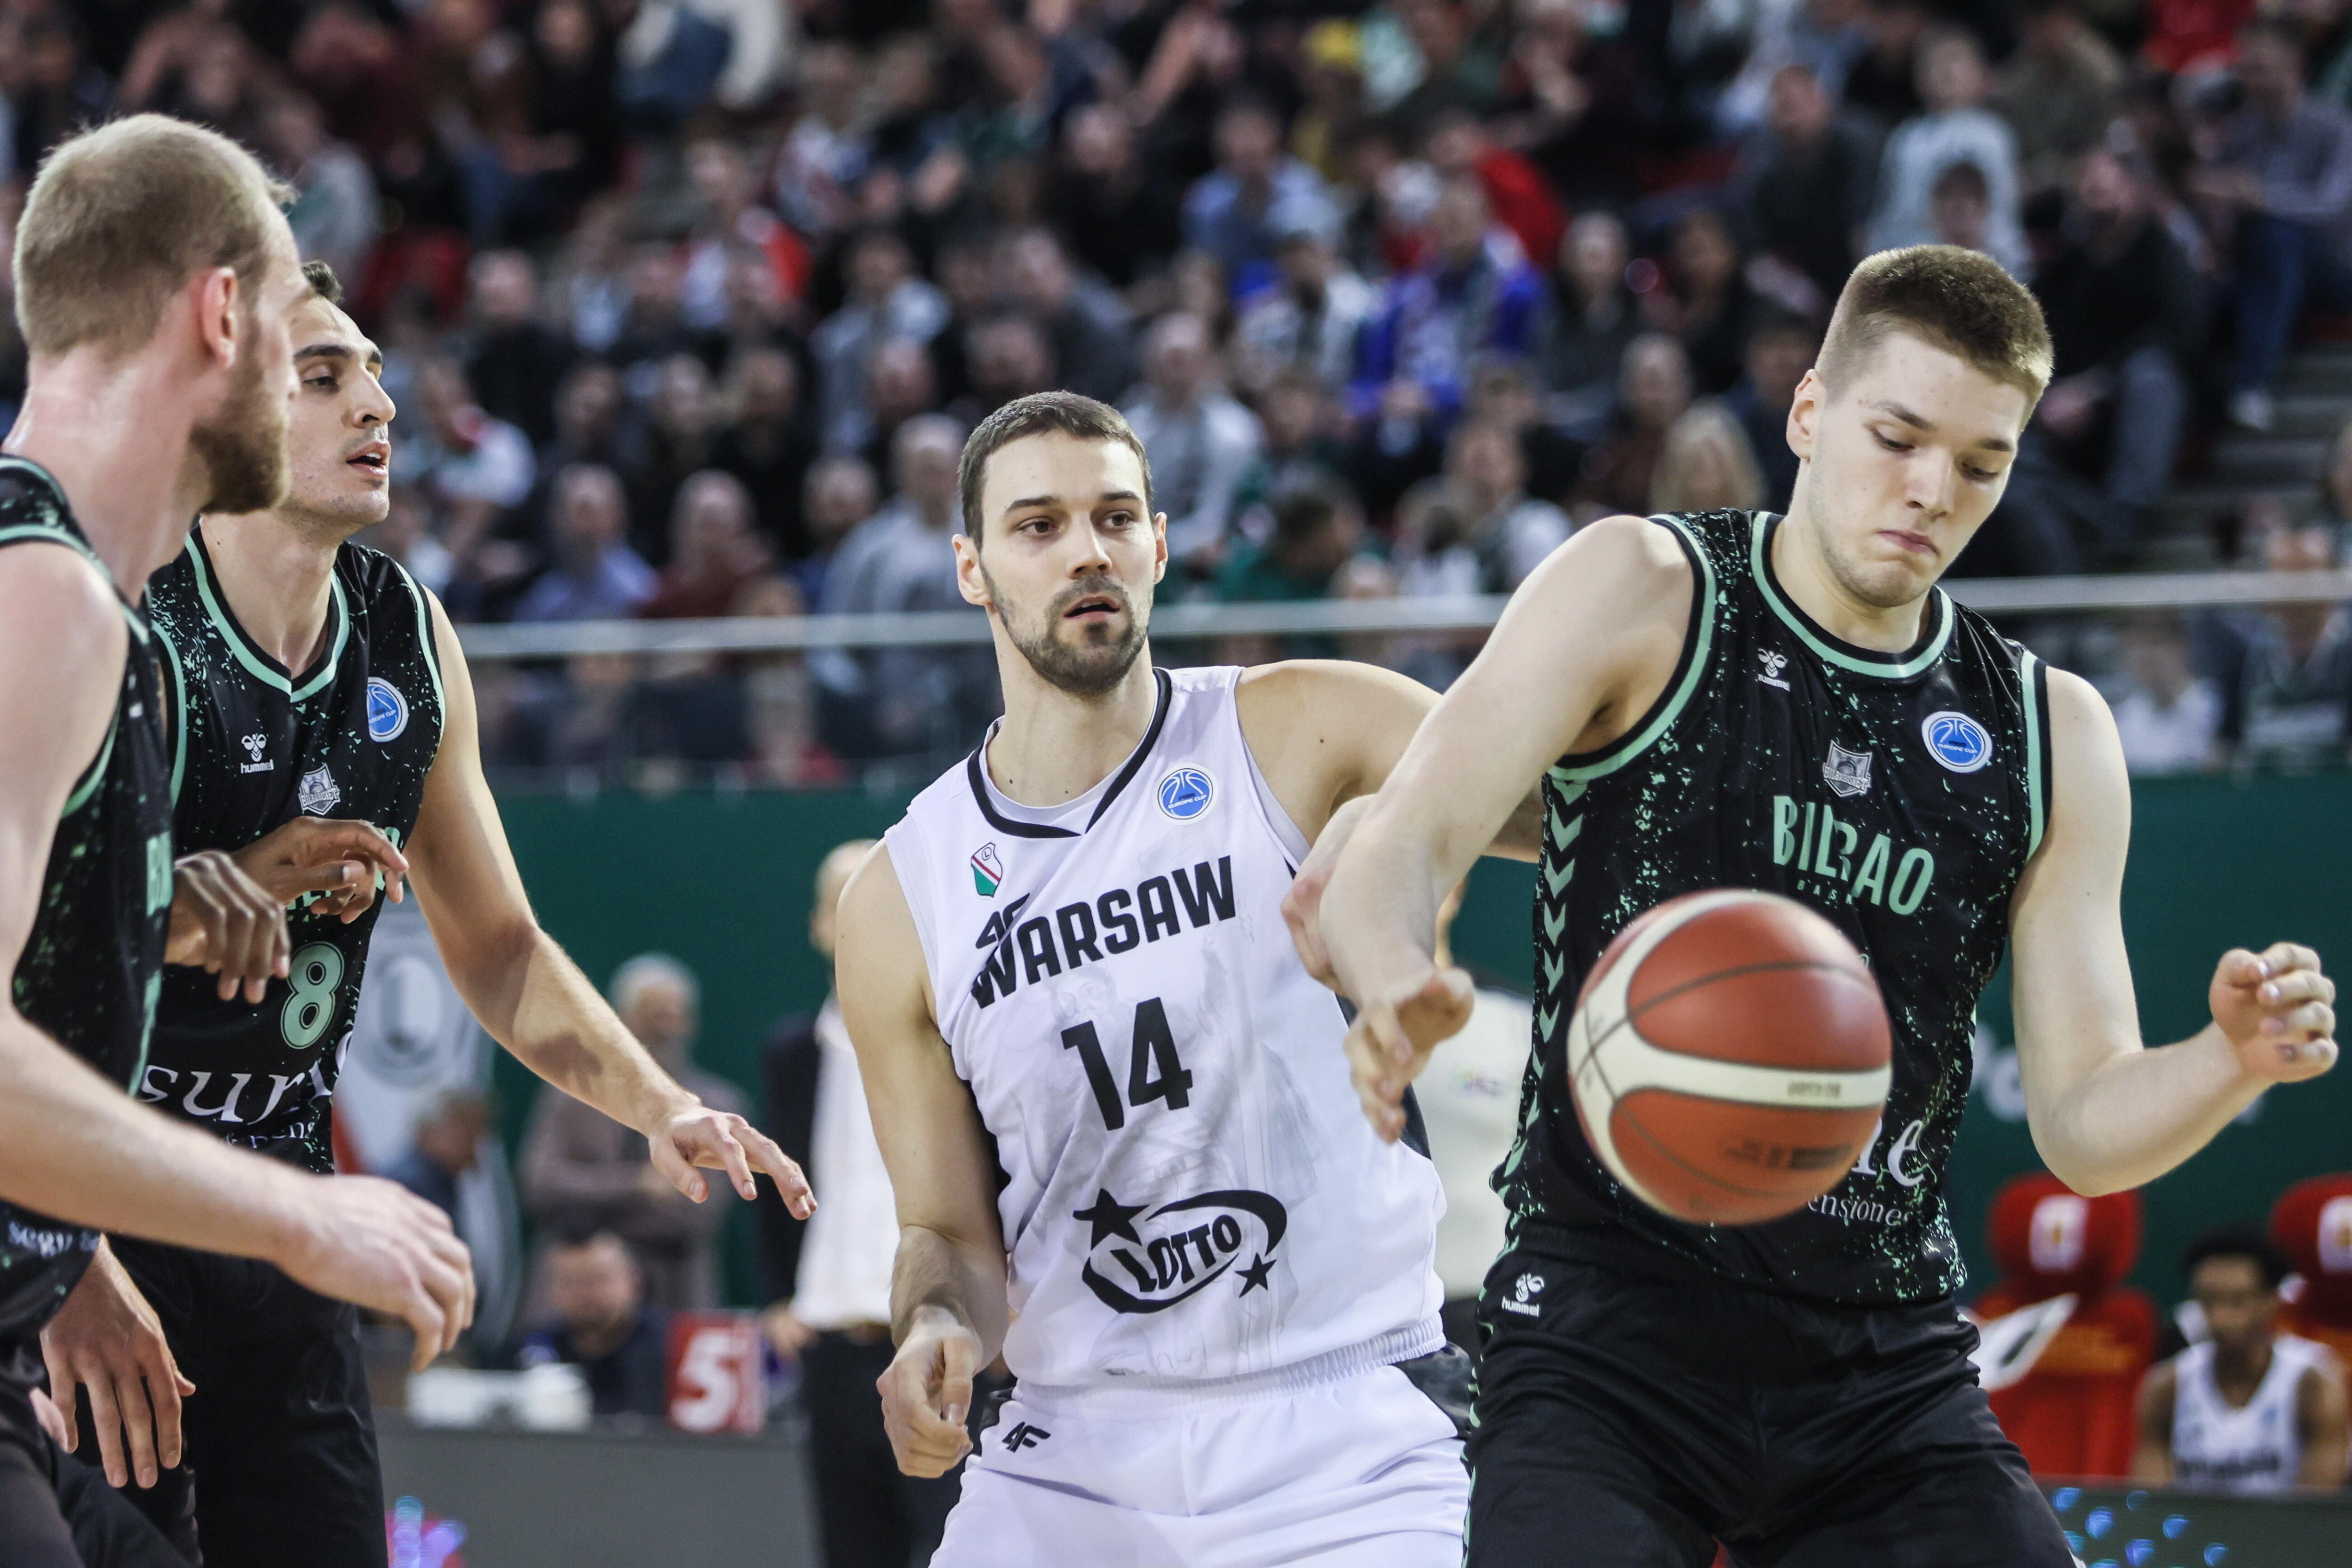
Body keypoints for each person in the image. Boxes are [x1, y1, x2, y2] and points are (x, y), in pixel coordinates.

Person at [1298, 245, 2340, 1568]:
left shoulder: (2047, 729)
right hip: (1606, 1330)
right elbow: (1402, 841)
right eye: (1898, 435)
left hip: (1879, 1366)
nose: (1931, 490)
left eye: (1982, 463)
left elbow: (2082, 1123)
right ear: (1807, 413)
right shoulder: (1644, 590)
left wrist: (2225, 1060)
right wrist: (1393, 983)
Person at [41, 261, 814, 1568]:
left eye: (379, 374)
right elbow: (24, 957)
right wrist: (56, 1257)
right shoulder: (121, 609)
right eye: (327, 376)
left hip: (283, 1210)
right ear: (226, 406)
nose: (378, 405)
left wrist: (658, 1105)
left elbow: (501, 947)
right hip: (101, 1202)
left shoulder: (410, 633)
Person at [833, 391, 1541, 1567]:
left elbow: (1583, 802)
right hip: (1074, 1454)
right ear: (971, 568)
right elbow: (948, 1231)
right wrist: (935, 1323)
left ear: (1161, 543)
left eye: (1115, 516)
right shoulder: (900, 899)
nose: (1086, 550)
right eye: (1038, 525)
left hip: (1350, 1426)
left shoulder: (1304, 727)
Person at [0, 115, 474, 1568]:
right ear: (221, 315)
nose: (334, 385)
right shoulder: (49, 602)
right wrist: (298, 1212)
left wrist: (62, 1246)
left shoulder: (94, 616)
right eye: (300, 342)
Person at [763, 841, 961, 1568]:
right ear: (818, 924)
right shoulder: (793, 1054)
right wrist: (779, 1296)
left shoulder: (955, 1043)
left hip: (936, 1342)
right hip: (831, 1346)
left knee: (952, 1543)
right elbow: (775, 1189)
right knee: (849, 1548)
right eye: (839, 906)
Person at [521, 953, 772, 1313]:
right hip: (571, 1309)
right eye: (653, 1015)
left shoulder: (720, 1108)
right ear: (620, 1018)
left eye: (675, 1016)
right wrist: (638, 1184)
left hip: (674, 1302)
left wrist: (590, 1211)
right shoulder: (570, 1095)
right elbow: (540, 1185)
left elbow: (699, 1213)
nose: (666, 1028)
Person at [2198, 19, 2352, 433]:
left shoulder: (2335, 126)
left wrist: (2262, 199)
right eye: (2248, 67)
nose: (2254, 76)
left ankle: (2252, 382)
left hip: (2333, 267)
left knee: (2277, 233)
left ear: (2294, 64)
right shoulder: (2239, 131)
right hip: (2261, 267)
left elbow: (2334, 208)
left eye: (2263, 65)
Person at [2134, 1228, 2351, 1491]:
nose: (2218, 1318)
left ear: (2271, 1301)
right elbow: (2153, 1506)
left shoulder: (2314, 1386)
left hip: (2282, 1532)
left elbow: (2313, 1513)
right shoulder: (2166, 1387)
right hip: (2193, 1531)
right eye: (2207, 1301)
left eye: (2237, 1302)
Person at [516, 1230, 670, 1419]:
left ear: (633, 1282)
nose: (586, 1294)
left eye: (598, 1279)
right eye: (571, 1282)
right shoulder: (530, 1350)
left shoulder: (675, 1349)